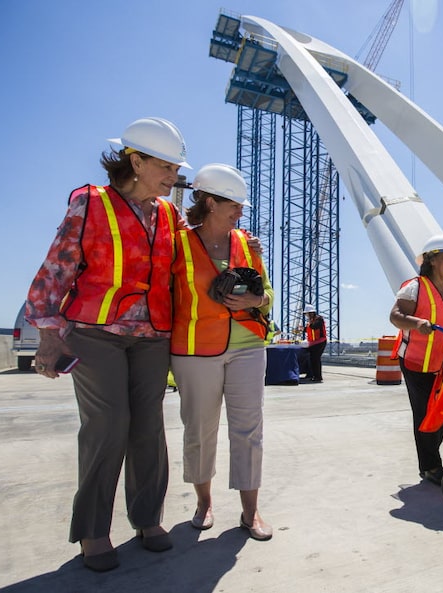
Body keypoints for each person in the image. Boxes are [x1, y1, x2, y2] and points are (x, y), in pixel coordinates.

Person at [24, 117, 191, 572]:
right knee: (108, 425)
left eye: (176, 169)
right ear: (135, 161)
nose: (174, 177)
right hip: (95, 332)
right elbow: (58, 265)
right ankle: (94, 530)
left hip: (152, 335)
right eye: (166, 167)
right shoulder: (89, 202)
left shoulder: (169, 214)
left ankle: (147, 519)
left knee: (148, 429)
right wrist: (48, 334)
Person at [170, 163, 274, 542]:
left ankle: (251, 512)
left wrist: (256, 298)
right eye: (234, 204)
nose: (240, 212)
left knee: (249, 430)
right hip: (195, 348)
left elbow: (267, 294)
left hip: (247, 344)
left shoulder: (247, 244)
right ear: (210, 202)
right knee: (199, 430)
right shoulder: (178, 243)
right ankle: (204, 503)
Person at [389, 234, 443, 485]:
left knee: (442, 412)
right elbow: (396, 316)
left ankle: (431, 459)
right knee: (424, 414)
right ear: (432, 260)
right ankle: (430, 467)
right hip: (415, 362)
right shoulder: (415, 287)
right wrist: (416, 323)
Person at [302, 304, 327, 382]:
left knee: (316, 359)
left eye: (307, 313)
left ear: (311, 313)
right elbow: (309, 329)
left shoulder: (319, 319)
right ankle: (311, 374)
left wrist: (309, 325)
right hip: (313, 343)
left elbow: (314, 327)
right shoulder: (311, 320)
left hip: (320, 342)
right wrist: (303, 329)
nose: (306, 315)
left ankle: (318, 377)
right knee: (310, 359)